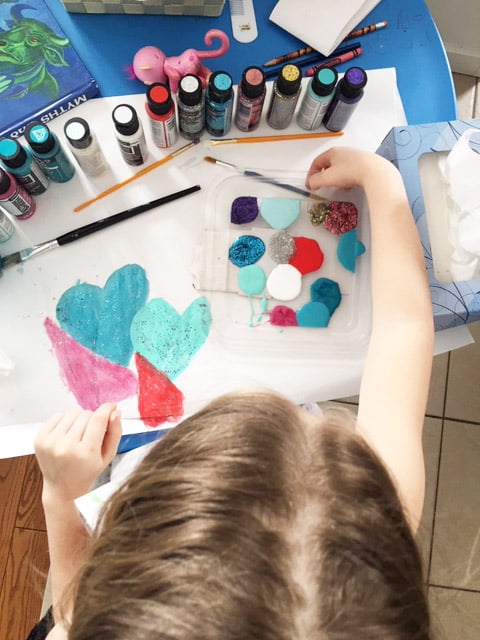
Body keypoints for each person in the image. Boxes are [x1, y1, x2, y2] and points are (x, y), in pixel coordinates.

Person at [32, 147, 434, 640]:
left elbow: (71, 605)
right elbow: (405, 327)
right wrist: (383, 184)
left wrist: (63, 495)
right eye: (306, 425)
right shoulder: (374, 527)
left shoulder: (92, 623)